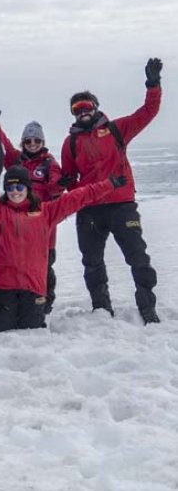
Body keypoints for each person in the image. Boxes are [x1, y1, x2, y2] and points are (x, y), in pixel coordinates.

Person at [0, 149, 122, 332]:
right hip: (3, 288)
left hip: (33, 288)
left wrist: (108, 185)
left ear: (28, 189)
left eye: (20, 187)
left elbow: (78, 197)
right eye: (10, 188)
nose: (15, 192)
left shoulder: (45, 212)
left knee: (32, 333)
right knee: (3, 333)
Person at [60, 58, 163, 323]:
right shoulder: (70, 143)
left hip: (121, 205)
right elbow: (70, 178)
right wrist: (70, 187)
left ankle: (147, 306)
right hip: (90, 209)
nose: (82, 111)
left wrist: (153, 84)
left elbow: (147, 112)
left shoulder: (116, 129)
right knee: (91, 261)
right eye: (76, 108)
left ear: (95, 108)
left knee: (137, 256)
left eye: (86, 106)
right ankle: (102, 310)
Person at [0, 115, 64, 314]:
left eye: (37, 140)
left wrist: (58, 186)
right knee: (15, 264)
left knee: (45, 265)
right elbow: (5, 143)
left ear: (43, 142)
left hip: (41, 223)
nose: (32, 144)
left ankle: (44, 302)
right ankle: (18, 303)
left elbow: (56, 187)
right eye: (28, 141)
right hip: (14, 223)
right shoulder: (16, 160)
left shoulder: (49, 164)